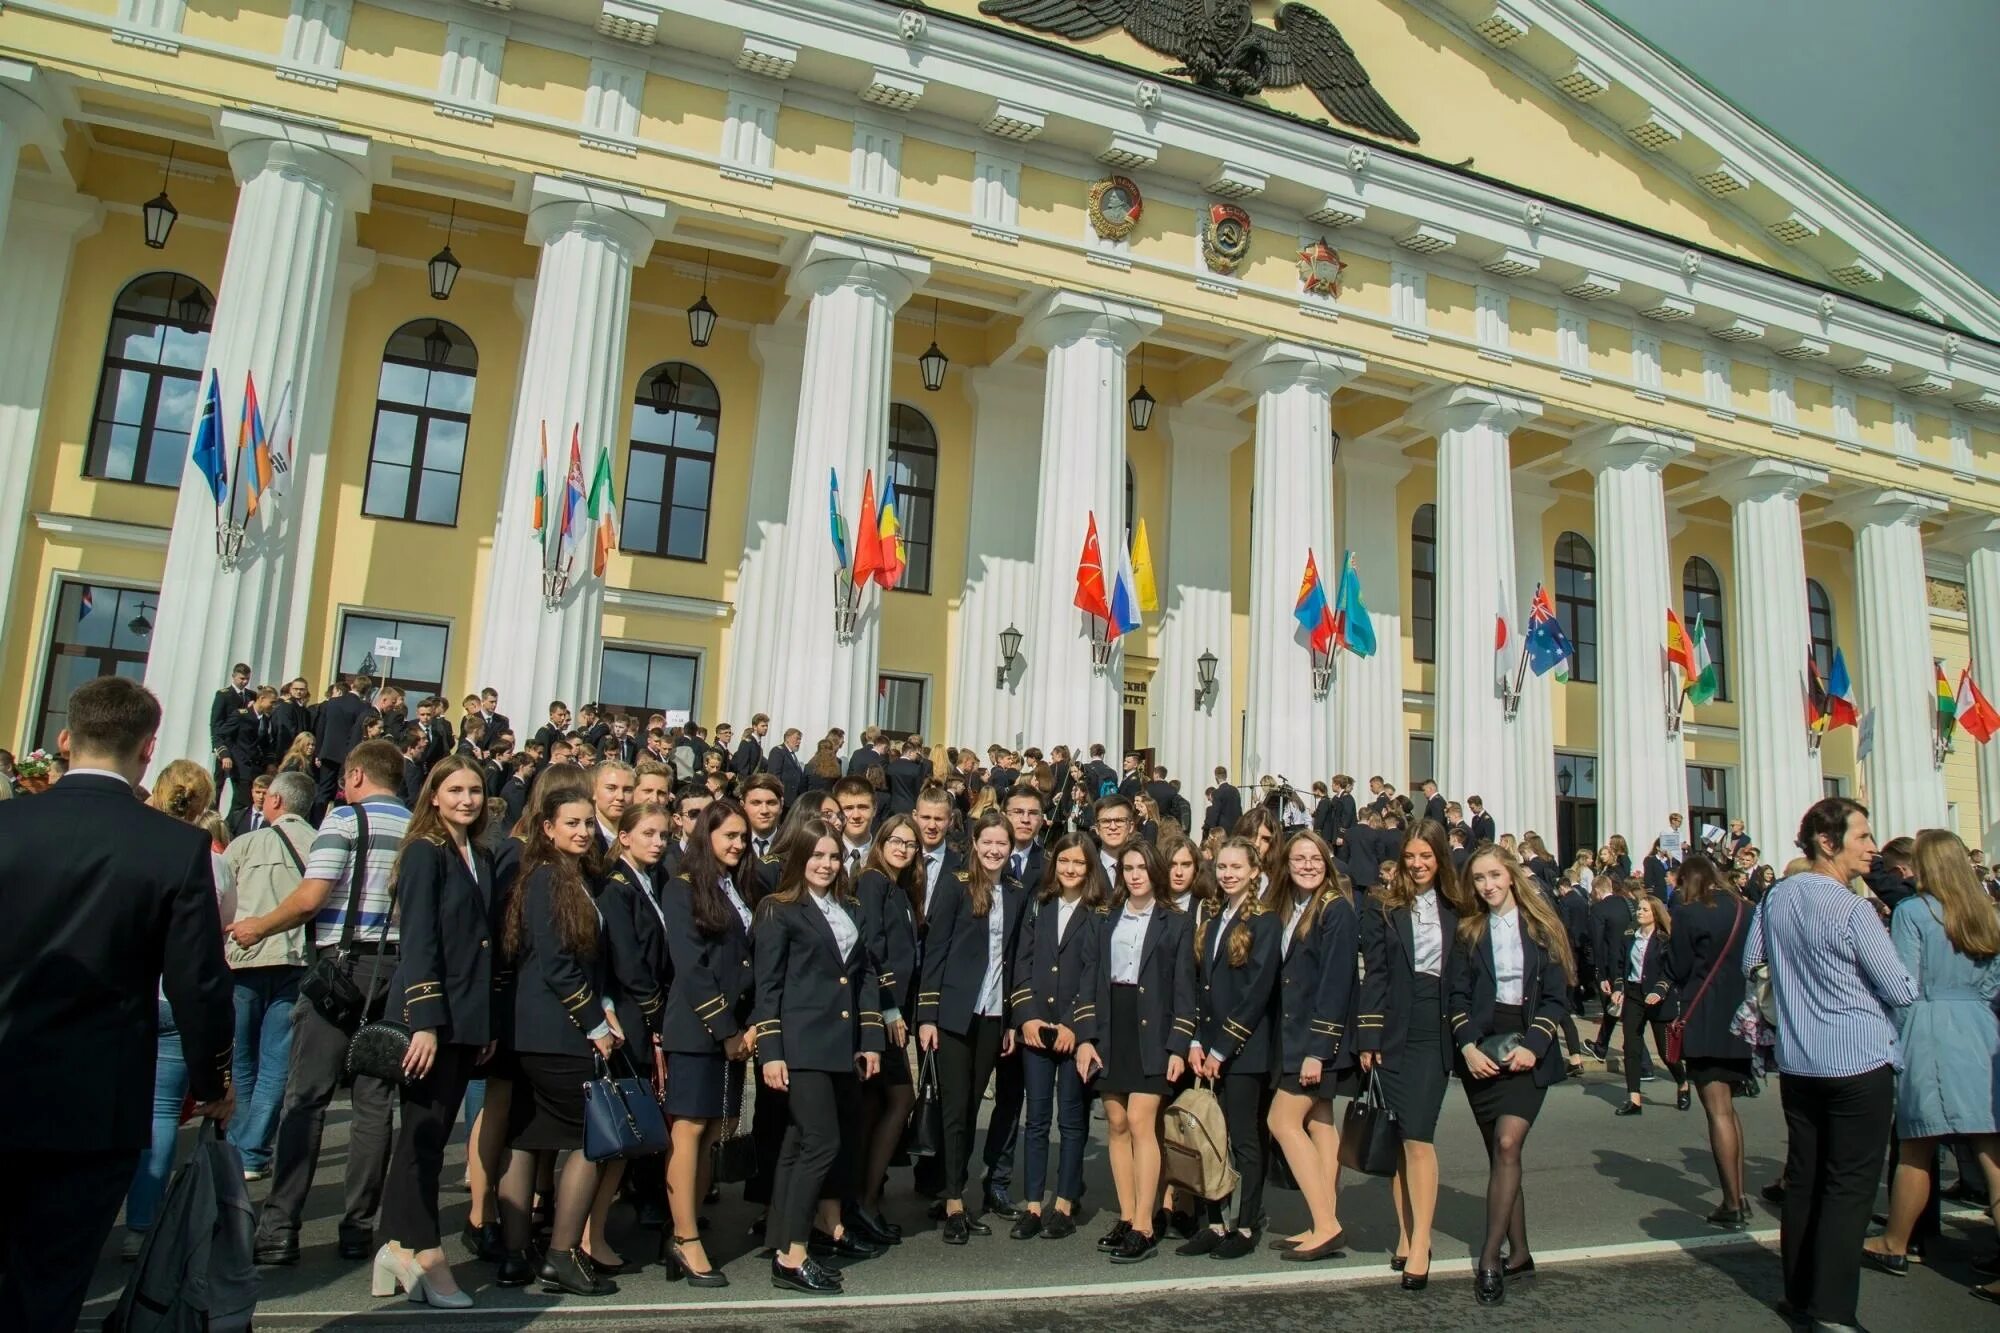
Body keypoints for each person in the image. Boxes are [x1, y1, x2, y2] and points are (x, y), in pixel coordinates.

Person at [0, 676, 235, 1333]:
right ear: (148, 748)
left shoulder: (7, 821)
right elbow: (199, 983)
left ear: (66, 738)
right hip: (93, 1097)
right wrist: (214, 1077)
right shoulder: (173, 846)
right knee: (49, 1284)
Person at [233, 736, 412, 1266]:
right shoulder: (417, 827)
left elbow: (313, 897)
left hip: (341, 967)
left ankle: (280, 1225)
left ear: (355, 775)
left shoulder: (342, 821)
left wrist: (257, 927)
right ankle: (358, 1227)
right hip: (395, 968)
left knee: (306, 1097)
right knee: (374, 1104)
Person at [1744, 797, 1916, 1331]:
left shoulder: (1776, 896)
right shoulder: (1851, 908)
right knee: (1849, 1188)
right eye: (1862, 837)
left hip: (1799, 1061)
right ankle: (1834, 1310)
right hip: (1857, 1059)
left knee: (1806, 1179)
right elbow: (1900, 988)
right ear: (1827, 841)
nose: (1872, 848)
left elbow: (1754, 963)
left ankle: (1799, 1295)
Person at [372, 756, 495, 1308]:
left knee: (428, 1135)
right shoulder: (424, 852)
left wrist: (482, 1022)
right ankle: (423, 1252)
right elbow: (418, 941)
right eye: (455, 790)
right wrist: (423, 1023)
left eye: (474, 790)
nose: (466, 799)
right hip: (432, 1019)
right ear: (435, 796)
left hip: (467, 1019)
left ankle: (393, 1245)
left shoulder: (479, 855)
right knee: (422, 1137)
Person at [490, 785, 619, 1297]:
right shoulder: (546, 877)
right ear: (547, 828)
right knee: (594, 1140)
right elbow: (557, 963)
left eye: (588, 823)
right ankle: (561, 1256)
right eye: (573, 823)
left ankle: (516, 1256)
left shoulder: (571, 876)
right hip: (554, 1032)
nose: (584, 831)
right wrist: (596, 1022)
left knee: (527, 1138)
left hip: (541, 1030)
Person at [1861, 829, 2000, 1303]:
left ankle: (1895, 1242)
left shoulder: (1915, 911)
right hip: (1980, 1027)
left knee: (1917, 1143)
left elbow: (1904, 981)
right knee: (1991, 1146)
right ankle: (1898, 1241)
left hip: (1931, 1024)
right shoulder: (1983, 911)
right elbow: (1994, 982)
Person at [752, 818, 884, 1293]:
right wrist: (770, 1051)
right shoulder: (778, 909)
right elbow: (766, 988)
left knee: (798, 1143)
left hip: (840, 1045)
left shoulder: (846, 907)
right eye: (816, 856)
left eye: (832, 856)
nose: (826, 864)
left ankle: (784, 1242)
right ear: (799, 858)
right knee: (821, 1141)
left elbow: (864, 975)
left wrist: (870, 1041)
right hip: (800, 1044)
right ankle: (794, 1255)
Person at [1449, 846, 1575, 1306]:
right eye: (1479, 878)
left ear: (1512, 876)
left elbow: (1557, 999)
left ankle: (1489, 1259)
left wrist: (1534, 1046)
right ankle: (1519, 1254)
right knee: (1503, 1158)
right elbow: (1457, 996)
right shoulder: (1469, 930)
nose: (1487, 885)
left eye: (1495, 875)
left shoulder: (1541, 928)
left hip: (1528, 1048)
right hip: (1482, 1050)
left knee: (1508, 1144)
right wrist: (1466, 1046)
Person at [121, 761, 238, 1255]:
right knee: (162, 1111)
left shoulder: (138, 845)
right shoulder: (214, 861)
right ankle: (140, 1225)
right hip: (181, 996)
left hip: (132, 990)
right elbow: (225, 922)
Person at [1357, 819, 1465, 1290]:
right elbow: (1375, 974)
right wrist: (1369, 1035)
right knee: (1400, 1138)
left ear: (1440, 858)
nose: (1418, 865)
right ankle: (1406, 1232)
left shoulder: (1460, 907)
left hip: (1435, 1028)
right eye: (1411, 857)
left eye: (1427, 856)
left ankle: (1421, 1242)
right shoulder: (1384, 905)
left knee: (1420, 1136)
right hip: (1394, 1027)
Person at [1079, 839, 1193, 1264]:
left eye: (1142, 867)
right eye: (1128, 868)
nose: (1135, 875)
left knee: (1144, 1120)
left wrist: (1179, 1043)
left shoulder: (1176, 922)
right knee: (1117, 1121)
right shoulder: (1105, 918)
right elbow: (1090, 978)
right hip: (1113, 1024)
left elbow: (1184, 988)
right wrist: (1087, 1036)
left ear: (1155, 871)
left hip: (1155, 1030)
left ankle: (1145, 1224)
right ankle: (1127, 1216)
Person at [916, 810, 1028, 1242]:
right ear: (975, 844)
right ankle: (954, 1202)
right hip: (953, 1013)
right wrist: (927, 1016)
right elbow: (935, 951)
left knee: (969, 1108)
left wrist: (1012, 1021)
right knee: (954, 1108)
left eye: (1003, 844)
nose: (996, 850)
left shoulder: (1016, 893)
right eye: (989, 843)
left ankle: (951, 1189)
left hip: (993, 1015)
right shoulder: (955, 885)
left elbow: (1013, 957)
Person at [658, 799, 756, 1284]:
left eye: (742, 837)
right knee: (690, 1130)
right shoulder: (683, 888)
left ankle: (687, 1225)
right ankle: (684, 1239)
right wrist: (726, 1030)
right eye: (728, 836)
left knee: (715, 1130)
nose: (738, 844)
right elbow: (691, 967)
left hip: (734, 1033)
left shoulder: (733, 886)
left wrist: (750, 1025)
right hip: (700, 1031)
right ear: (706, 837)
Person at [1264, 830, 1359, 1263]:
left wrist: (1318, 1049)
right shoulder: (1290, 906)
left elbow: (1337, 983)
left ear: (1327, 863)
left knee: (1282, 1121)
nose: (1306, 865)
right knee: (1320, 1124)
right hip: (1293, 1034)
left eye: (1314, 859)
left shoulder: (1335, 910)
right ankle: (1324, 1219)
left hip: (1315, 1038)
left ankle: (1327, 1223)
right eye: (1299, 859)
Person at [1182, 838, 1280, 1259]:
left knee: (1243, 1140)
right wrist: (1197, 1041)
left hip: (1243, 1050)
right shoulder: (1213, 914)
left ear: (1254, 871)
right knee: (1211, 1139)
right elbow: (1202, 984)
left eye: (1237, 867)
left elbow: (1257, 992)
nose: (1228, 874)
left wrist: (1221, 1049)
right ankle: (1216, 1222)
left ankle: (1244, 1224)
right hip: (1208, 1047)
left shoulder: (1266, 921)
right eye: (1222, 867)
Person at [221, 770, 317, 1181]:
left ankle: (239, 1143)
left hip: (244, 957)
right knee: (278, 1060)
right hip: (296, 959)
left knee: (242, 1057)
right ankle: (253, 1150)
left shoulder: (245, 843)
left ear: (275, 801)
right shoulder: (321, 843)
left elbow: (222, 898)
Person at [1009, 833, 1106, 1240]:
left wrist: (1074, 1025)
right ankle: (1033, 1204)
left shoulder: (1098, 912)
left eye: (1079, 863)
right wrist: (1026, 1016)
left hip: (1071, 1030)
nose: (1070, 869)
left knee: (1070, 1121)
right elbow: (1023, 961)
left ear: (1090, 868)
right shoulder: (1041, 903)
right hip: (1037, 1027)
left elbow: (1093, 973)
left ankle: (1064, 1202)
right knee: (1036, 1121)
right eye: (1064, 861)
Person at [1665, 854, 1755, 1229]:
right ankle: (1741, 1195)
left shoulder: (1688, 913)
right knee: (1729, 1110)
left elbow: (1679, 967)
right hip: (1738, 1013)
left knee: (1716, 1110)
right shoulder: (1743, 909)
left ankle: (1732, 1202)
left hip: (1703, 1014)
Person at [852, 813, 923, 1242]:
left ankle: (865, 1196)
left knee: (882, 1103)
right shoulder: (873, 881)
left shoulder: (898, 887)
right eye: (896, 840)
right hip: (878, 1012)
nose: (903, 848)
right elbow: (871, 946)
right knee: (898, 1098)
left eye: (910, 844)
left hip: (893, 1011)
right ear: (881, 842)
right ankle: (863, 1200)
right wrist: (888, 1007)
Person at [1613, 892, 1687, 1115]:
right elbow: (1619, 965)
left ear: (1655, 913)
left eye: (1645, 909)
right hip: (1635, 995)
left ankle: (1682, 1083)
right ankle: (1634, 1098)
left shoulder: (1664, 939)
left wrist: (1660, 990)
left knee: (1666, 1053)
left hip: (1657, 998)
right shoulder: (1629, 936)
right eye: (1639, 909)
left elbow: (1671, 970)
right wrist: (1618, 988)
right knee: (1631, 1047)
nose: (1640, 912)